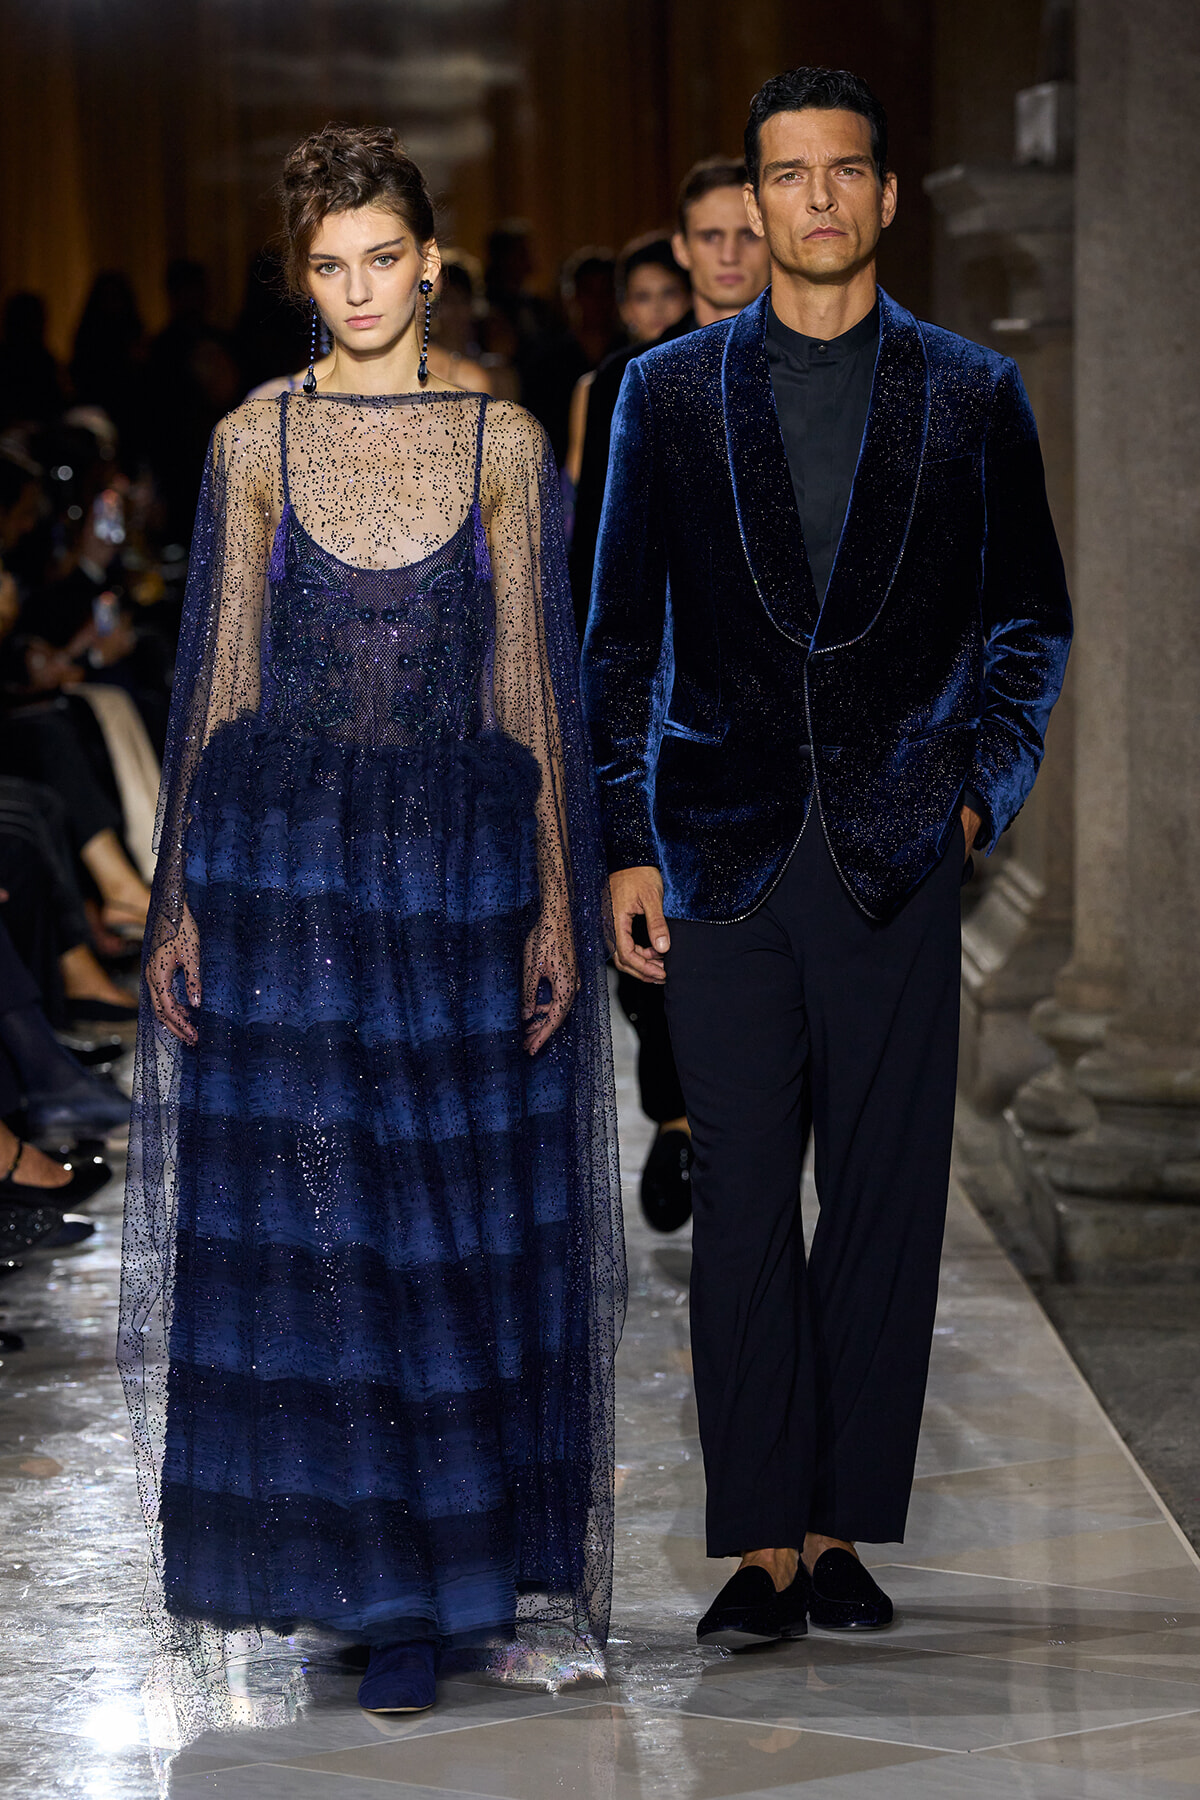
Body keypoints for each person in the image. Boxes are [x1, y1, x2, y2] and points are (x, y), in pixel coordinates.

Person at [120, 123, 623, 1720]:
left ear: (429, 258)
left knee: (441, 1227)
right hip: (287, 875)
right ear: (302, 276)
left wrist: (553, 901)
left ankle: (448, 1572)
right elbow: (223, 681)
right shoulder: (250, 441)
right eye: (329, 267)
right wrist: (185, 895)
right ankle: (375, 1587)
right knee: (321, 1229)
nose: (358, 290)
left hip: (459, 875)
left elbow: (534, 687)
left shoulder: (503, 442)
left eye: (383, 259)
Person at [582, 67, 1072, 1647]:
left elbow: (1029, 627)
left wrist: (977, 796)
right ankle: (758, 1545)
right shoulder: (667, 397)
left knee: (879, 1200)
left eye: (839, 173)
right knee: (739, 1201)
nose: (811, 201)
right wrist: (621, 840)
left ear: (882, 194)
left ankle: (839, 1526)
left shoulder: (973, 393)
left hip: (893, 848)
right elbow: (615, 644)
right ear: (756, 193)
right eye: (784, 175)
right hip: (717, 847)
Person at [571, 173, 769, 1236]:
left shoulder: (814, 371)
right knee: (652, 935)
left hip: (775, 717)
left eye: (748, 233)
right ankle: (680, 1118)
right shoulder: (624, 386)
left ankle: (725, 1137)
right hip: (658, 698)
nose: (732, 253)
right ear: (683, 250)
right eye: (712, 236)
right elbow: (597, 551)